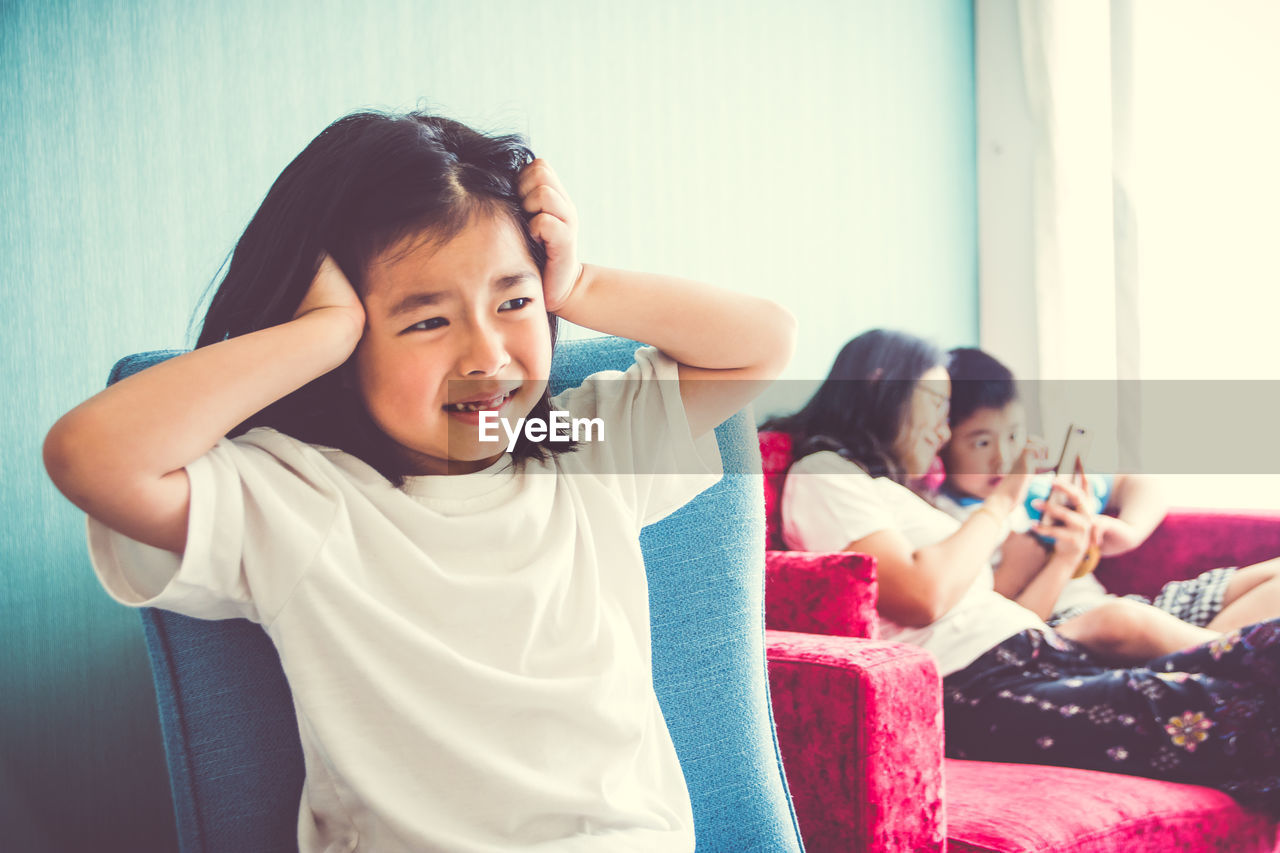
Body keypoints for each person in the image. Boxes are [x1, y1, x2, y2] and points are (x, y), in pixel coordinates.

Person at [42, 109, 796, 852]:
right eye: (425, 321)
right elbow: (92, 455)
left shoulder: (580, 448)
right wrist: (322, 334)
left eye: (513, 302)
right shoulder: (298, 502)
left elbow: (761, 343)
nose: (486, 355)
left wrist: (580, 282)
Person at [769, 329, 1280, 816]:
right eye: (936, 406)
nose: (941, 431)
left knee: (1248, 693)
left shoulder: (892, 493)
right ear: (881, 383)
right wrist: (1003, 503)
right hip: (975, 681)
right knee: (1226, 712)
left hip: (1030, 654)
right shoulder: (824, 473)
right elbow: (922, 595)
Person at [939, 346, 1280, 663]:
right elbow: (1005, 632)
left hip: (1132, 611)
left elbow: (1138, 482)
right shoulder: (948, 522)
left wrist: (1128, 530)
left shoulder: (1040, 489)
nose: (1003, 458)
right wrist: (1054, 562)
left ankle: (1211, 657)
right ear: (943, 442)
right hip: (1067, 630)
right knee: (1119, 620)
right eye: (981, 442)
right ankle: (1225, 660)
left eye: (1013, 435)